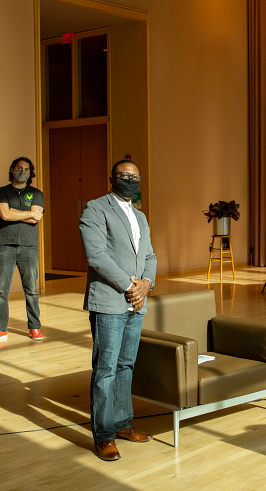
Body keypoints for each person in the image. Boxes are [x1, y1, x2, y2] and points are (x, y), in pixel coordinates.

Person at [79, 159, 157, 461]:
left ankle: (123, 424)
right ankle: (104, 435)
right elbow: (96, 256)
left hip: (136, 301)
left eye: (136, 176)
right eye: (125, 175)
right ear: (112, 178)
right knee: (105, 370)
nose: (131, 180)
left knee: (126, 366)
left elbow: (149, 254)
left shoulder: (140, 215)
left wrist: (146, 284)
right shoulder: (96, 208)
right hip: (110, 300)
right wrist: (130, 286)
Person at [0, 157, 45, 344]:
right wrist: (28, 213)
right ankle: (0, 329)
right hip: (5, 245)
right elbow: (4, 214)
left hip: (29, 246)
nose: (23, 171)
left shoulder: (36, 193)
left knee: (31, 290)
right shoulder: (1, 192)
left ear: (31, 173)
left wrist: (15, 213)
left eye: (27, 169)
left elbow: (36, 219)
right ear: (12, 169)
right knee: (1, 290)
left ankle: (34, 327)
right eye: (19, 168)